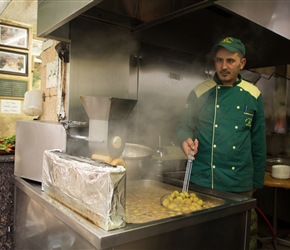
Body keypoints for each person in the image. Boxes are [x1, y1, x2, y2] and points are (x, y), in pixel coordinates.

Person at [176, 36, 266, 249]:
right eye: (219, 60)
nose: (224, 66)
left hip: (239, 183)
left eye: (230, 61)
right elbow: (183, 125)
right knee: (201, 240)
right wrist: (185, 140)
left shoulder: (253, 94)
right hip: (203, 180)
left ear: (241, 63)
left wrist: (256, 182)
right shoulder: (199, 92)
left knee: (235, 240)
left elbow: (258, 141)